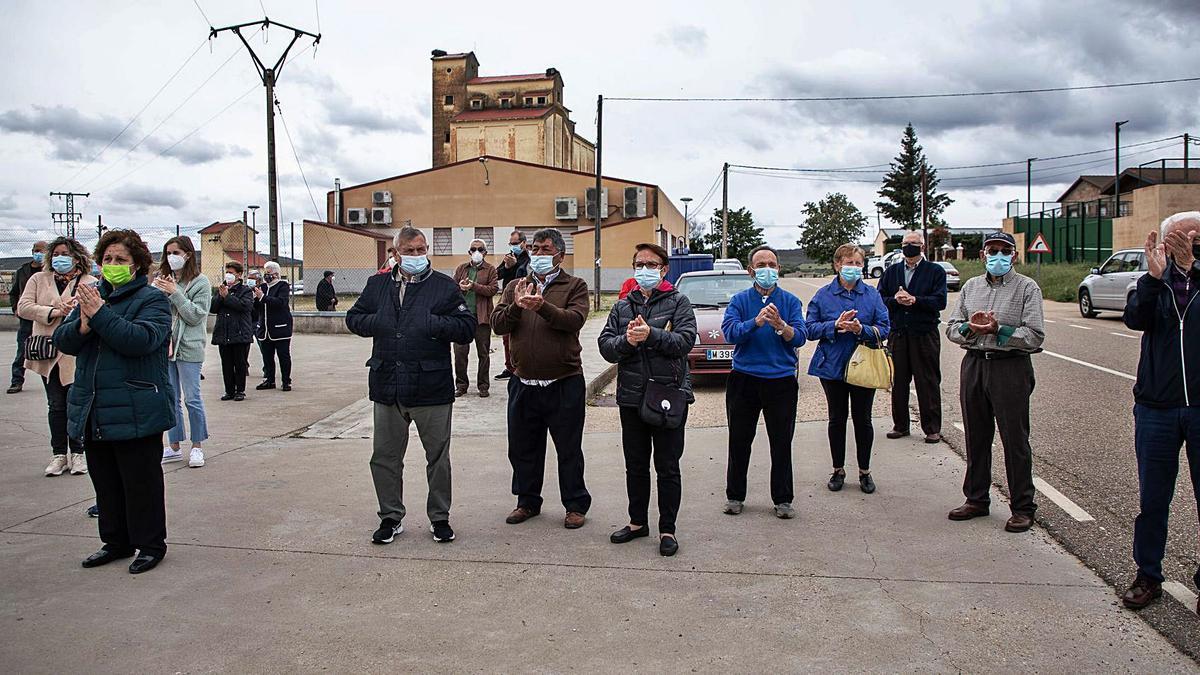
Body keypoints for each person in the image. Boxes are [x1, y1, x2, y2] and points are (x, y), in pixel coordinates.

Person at [54, 228, 173, 574]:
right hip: (95, 406)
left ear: (136, 265)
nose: (112, 265)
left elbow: (140, 340)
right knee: (105, 481)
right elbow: (66, 340)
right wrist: (84, 324)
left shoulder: (151, 301)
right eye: (107, 259)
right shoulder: (93, 296)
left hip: (137, 406)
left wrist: (100, 315)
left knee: (141, 483)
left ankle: (150, 545)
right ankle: (116, 541)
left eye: (120, 259)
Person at [346, 227, 476, 544]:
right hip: (388, 385)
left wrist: (431, 324)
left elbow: (466, 327)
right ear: (396, 253)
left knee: (438, 457)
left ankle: (440, 517)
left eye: (421, 249)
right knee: (385, 457)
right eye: (410, 250)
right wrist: (379, 322)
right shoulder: (377, 285)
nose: (417, 255)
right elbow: (354, 318)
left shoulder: (443, 286)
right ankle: (390, 517)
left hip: (431, 387)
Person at [1120, 211, 1200, 613]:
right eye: (1183, 239)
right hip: (1156, 407)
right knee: (1154, 498)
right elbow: (1136, 318)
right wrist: (1156, 278)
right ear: (1165, 244)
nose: (1190, 245)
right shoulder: (1152, 282)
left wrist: (1191, 269)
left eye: (1197, 239)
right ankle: (1147, 574)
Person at [598, 243, 696, 556]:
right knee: (635, 465)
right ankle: (637, 522)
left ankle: (668, 529)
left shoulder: (679, 301)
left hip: (668, 395)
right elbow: (605, 345)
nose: (645, 269)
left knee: (667, 467)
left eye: (651, 264)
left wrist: (650, 335)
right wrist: (627, 340)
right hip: (631, 397)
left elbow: (684, 342)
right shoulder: (622, 305)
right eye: (639, 263)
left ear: (664, 268)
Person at [492, 228, 592, 529]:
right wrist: (517, 306)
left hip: (564, 381)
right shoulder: (516, 286)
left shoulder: (574, 285)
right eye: (534, 248)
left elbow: (574, 321)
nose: (538, 254)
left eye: (545, 249)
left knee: (569, 448)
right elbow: (497, 324)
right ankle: (527, 502)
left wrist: (543, 307)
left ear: (559, 254)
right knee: (523, 447)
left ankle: (575, 504)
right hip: (523, 382)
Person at [945, 231, 1044, 533]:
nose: (997, 256)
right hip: (975, 364)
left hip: (1010, 367)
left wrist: (999, 329)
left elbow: (1034, 335)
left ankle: (1023, 507)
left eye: (1004, 251)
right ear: (982, 255)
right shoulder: (971, 286)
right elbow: (951, 327)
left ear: (1014, 255)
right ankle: (976, 498)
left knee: (1014, 439)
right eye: (992, 250)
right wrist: (970, 328)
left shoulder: (1027, 287)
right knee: (976, 435)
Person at [721, 245, 807, 518]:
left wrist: (782, 326)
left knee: (781, 442)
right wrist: (755, 323)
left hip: (780, 381)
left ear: (779, 269)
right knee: (739, 440)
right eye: (761, 264)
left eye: (772, 263)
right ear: (751, 271)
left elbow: (801, 337)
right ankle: (735, 496)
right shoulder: (739, 300)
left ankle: (783, 499)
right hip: (744, 380)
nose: (767, 269)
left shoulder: (791, 302)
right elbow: (729, 333)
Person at [806, 244, 891, 494]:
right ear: (837, 265)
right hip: (832, 366)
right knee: (837, 418)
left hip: (863, 365)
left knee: (863, 419)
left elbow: (884, 327)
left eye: (857, 263)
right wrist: (834, 325)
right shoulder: (823, 295)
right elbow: (809, 328)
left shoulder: (872, 295)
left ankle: (865, 471)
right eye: (848, 262)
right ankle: (838, 469)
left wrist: (860, 329)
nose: (853, 267)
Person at [17, 237, 94, 475]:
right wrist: (53, 311)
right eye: (57, 253)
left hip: (75, 353)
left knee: (76, 405)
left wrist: (77, 308)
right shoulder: (38, 279)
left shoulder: (89, 281)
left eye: (66, 254)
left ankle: (79, 453)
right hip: (47, 352)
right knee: (56, 405)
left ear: (77, 257)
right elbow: (23, 306)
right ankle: (59, 454)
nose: (60, 258)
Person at [878, 231, 947, 443]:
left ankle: (932, 428)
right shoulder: (892, 272)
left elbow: (940, 301)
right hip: (898, 333)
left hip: (924, 334)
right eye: (906, 243)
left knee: (927, 381)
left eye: (913, 243)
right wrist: (896, 300)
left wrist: (915, 300)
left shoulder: (935, 271)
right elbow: (880, 298)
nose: (909, 247)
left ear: (922, 247)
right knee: (898, 381)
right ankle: (900, 425)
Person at [153, 236, 211, 468]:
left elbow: (196, 315)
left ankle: (197, 446)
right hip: (165, 348)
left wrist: (175, 292)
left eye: (176, 252)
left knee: (192, 398)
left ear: (188, 254)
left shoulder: (201, 282)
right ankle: (174, 444)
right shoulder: (163, 280)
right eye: (168, 253)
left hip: (189, 348)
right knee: (170, 398)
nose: (171, 257)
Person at [452, 239, 499, 397]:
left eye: (480, 249)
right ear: (469, 252)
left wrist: (474, 286)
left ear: (485, 252)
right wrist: (461, 287)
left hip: (482, 317)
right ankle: (461, 385)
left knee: (483, 353)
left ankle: (483, 385)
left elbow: (493, 289)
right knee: (460, 352)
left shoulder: (490, 269)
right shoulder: (461, 269)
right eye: (473, 249)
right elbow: (452, 291)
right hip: (462, 318)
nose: (476, 252)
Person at [210, 261, 254, 401]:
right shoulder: (222, 289)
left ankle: (240, 390)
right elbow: (213, 308)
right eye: (227, 272)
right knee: (226, 364)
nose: (228, 275)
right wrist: (221, 296)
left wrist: (227, 297)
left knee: (239, 363)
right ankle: (229, 390)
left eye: (231, 273)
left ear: (239, 275)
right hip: (224, 333)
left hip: (240, 333)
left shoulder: (245, 290)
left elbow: (244, 306)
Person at [8, 240, 47, 394]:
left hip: (46, 317)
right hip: (27, 319)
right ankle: (16, 381)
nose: (39, 254)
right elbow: (14, 293)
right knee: (22, 350)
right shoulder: (22, 271)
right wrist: (16, 308)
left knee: (52, 350)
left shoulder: (50, 271)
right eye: (37, 250)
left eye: (42, 251)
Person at [494, 230, 531, 381]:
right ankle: (509, 367)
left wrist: (515, 266)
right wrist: (507, 267)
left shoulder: (529, 258)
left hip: (523, 299)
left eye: (515, 243)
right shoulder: (509, 257)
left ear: (524, 243)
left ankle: (521, 366)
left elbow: (524, 277)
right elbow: (498, 274)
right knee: (506, 336)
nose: (513, 246)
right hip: (508, 298)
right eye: (511, 243)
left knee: (522, 334)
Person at [253, 261, 294, 392]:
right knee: (267, 356)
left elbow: (280, 303)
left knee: (283, 355)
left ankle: (286, 381)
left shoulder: (283, 286)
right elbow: (258, 308)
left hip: (280, 328)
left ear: (276, 274)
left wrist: (263, 297)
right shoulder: (263, 287)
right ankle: (269, 380)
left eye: (269, 273)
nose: (266, 275)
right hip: (265, 329)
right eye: (265, 273)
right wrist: (255, 299)